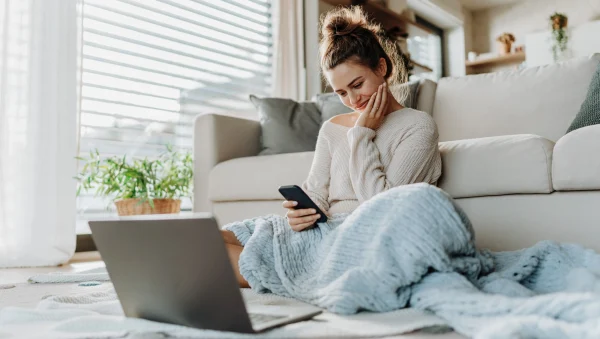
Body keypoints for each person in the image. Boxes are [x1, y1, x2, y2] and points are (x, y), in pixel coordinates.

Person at [221, 6, 442, 288]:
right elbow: (316, 193)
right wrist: (299, 215)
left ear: (382, 68)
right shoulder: (332, 127)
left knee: (217, 257)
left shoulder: (418, 126)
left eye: (357, 84)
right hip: (320, 230)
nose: (353, 100)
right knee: (210, 238)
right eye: (341, 93)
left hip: (358, 237)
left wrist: (362, 134)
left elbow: (384, 209)